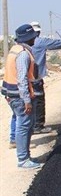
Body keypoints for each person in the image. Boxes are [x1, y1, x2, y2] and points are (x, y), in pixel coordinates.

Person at [2, 24, 42, 169]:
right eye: (33, 37)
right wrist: (27, 101)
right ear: (29, 38)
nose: (35, 40)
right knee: (24, 126)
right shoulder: (23, 54)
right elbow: (22, 79)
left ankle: (25, 156)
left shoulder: (15, 49)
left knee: (23, 125)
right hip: (19, 96)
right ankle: (23, 159)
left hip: (11, 94)